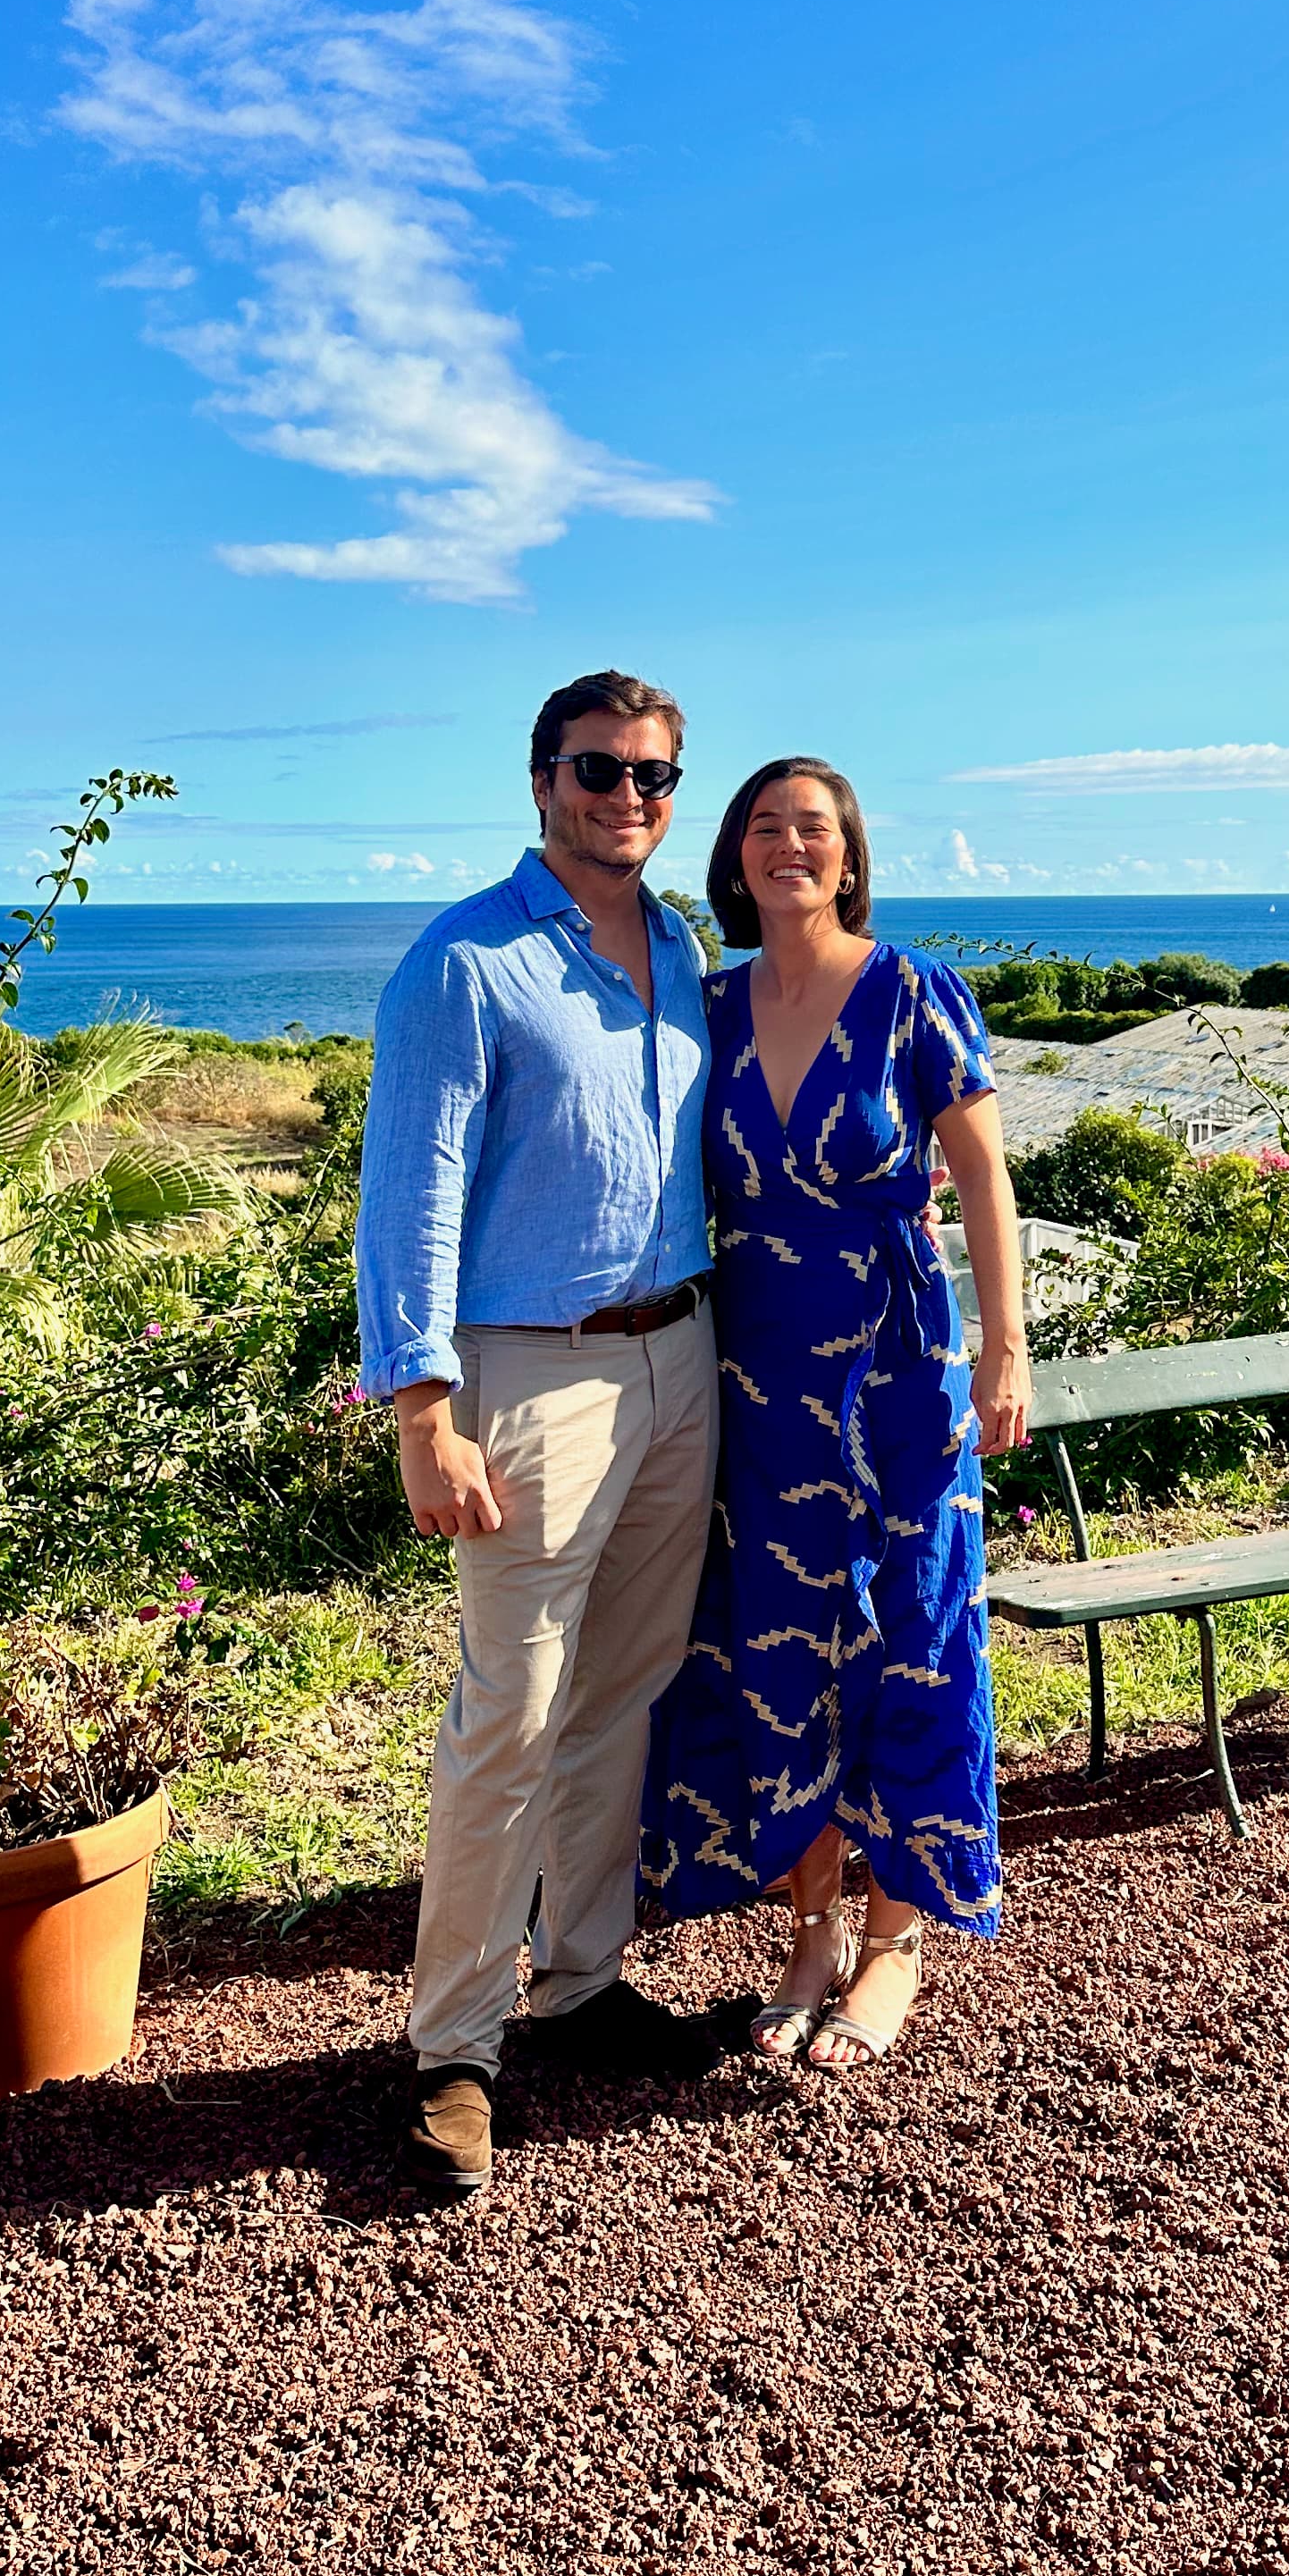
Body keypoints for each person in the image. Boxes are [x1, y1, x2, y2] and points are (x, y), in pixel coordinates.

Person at [357, 668, 720, 2199]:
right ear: (538, 779)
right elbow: (413, 1193)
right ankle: (453, 2048)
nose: (622, 799)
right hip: (530, 1378)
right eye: (596, 771)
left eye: (650, 777)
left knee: (620, 1695)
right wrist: (420, 1407)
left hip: (678, 1357)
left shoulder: (687, 946)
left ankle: (577, 1980)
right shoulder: (465, 964)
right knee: (508, 1711)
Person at [641, 757, 1030, 2072]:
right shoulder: (707, 1008)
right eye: (764, 826)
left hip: (901, 1374)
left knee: (913, 1638)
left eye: (813, 828)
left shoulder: (913, 989)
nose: (787, 845)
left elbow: (984, 1182)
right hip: (756, 1381)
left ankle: (896, 1942)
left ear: (849, 858)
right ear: (735, 858)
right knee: (781, 1649)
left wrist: (1006, 1355)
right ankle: (807, 1932)